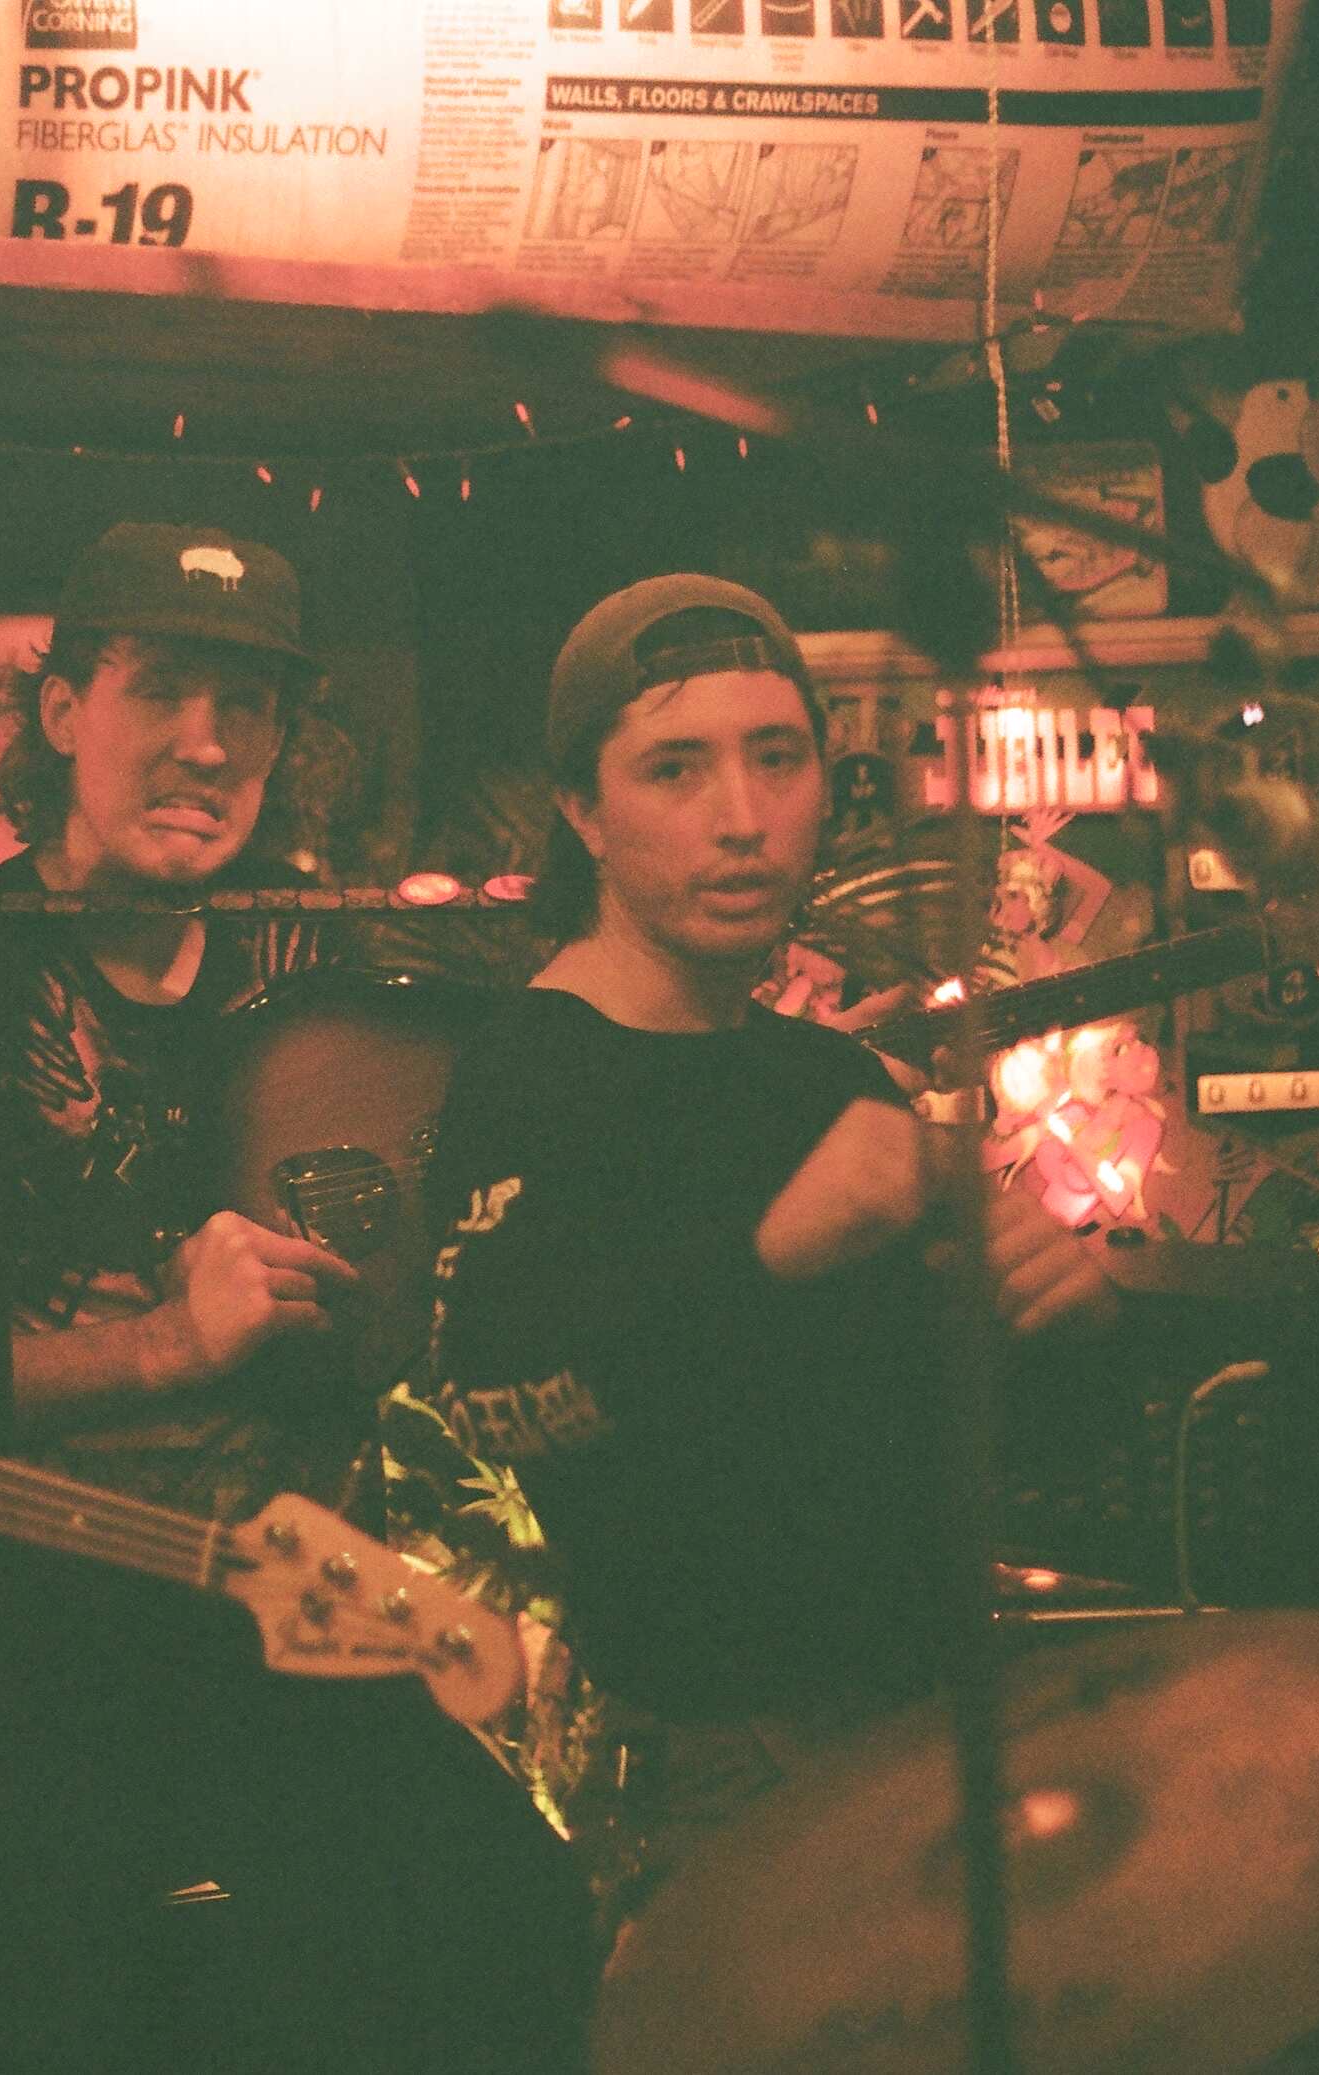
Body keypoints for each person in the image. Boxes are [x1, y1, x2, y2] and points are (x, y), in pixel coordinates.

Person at [0, 522, 586, 2073]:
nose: (205, 745)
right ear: (59, 710)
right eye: (160, 689)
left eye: (246, 706)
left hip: (313, 1676)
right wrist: (162, 1345)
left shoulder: (325, 962)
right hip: (35, 1695)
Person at [418, 573, 1121, 1946]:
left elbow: (958, 1447)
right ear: (582, 813)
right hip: (705, 1773)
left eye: (777, 758)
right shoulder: (529, 1073)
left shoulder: (819, 1076)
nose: (741, 817)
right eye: (674, 769)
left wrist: (1064, 1314)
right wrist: (770, 1256)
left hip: (929, 1731)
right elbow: (498, 1402)